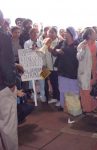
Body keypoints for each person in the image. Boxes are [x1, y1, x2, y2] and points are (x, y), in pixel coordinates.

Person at [0, 9, 18, 150]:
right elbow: (5, 63)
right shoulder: (3, 37)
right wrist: (12, 83)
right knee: (8, 125)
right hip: (2, 87)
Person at [52, 27, 79, 110]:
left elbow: (74, 54)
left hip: (72, 71)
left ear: (71, 34)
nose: (65, 33)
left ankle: (74, 107)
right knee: (62, 89)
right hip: (62, 70)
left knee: (73, 90)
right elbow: (54, 51)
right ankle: (63, 106)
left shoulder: (77, 44)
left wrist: (63, 50)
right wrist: (57, 50)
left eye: (67, 32)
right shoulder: (62, 42)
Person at [77, 27, 97, 113]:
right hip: (85, 73)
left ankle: (93, 107)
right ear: (89, 35)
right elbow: (79, 57)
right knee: (85, 92)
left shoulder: (96, 43)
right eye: (94, 33)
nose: (96, 34)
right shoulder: (82, 45)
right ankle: (87, 109)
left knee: (94, 90)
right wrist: (82, 49)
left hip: (94, 71)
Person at [39, 27, 60, 106]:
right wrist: (43, 65)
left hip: (55, 68)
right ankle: (51, 97)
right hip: (47, 67)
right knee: (47, 81)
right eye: (49, 33)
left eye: (52, 32)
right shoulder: (45, 42)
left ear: (56, 33)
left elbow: (57, 55)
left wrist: (50, 48)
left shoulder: (59, 42)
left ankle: (59, 99)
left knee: (56, 84)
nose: (50, 34)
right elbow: (42, 54)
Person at [24, 28, 46, 102]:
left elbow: (43, 54)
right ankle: (33, 95)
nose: (34, 35)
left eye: (35, 33)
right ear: (29, 34)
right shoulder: (26, 43)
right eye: (32, 33)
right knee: (31, 82)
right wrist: (31, 50)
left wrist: (44, 65)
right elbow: (25, 54)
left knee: (42, 81)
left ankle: (42, 95)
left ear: (37, 34)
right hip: (31, 66)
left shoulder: (41, 42)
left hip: (41, 65)